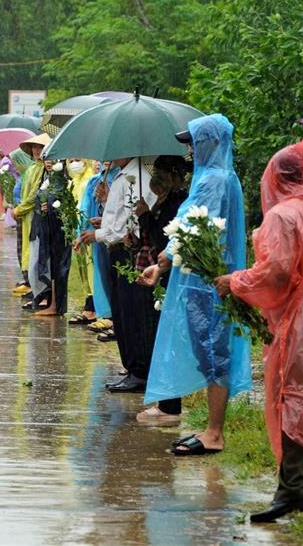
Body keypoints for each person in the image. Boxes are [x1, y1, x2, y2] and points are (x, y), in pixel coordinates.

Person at [213, 139, 303, 522]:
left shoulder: (282, 216)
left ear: (276, 176)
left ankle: (294, 488)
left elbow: (275, 272)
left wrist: (235, 281)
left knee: (292, 396)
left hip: (302, 320)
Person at [139, 114, 250, 454]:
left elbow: (198, 228)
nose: (189, 152)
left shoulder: (215, 180)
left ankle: (215, 433)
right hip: (201, 275)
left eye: (193, 144)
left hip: (208, 279)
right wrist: (164, 261)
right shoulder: (215, 177)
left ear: (211, 143)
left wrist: (167, 258)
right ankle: (211, 428)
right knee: (208, 349)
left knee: (214, 350)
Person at [80, 155, 157, 391]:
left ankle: (139, 371)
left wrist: (100, 234)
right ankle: (131, 367)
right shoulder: (122, 177)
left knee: (133, 313)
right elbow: (119, 217)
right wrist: (104, 213)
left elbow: (131, 223)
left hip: (129, 251)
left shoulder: (138, 178)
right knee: (122, 312)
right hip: (116, 249)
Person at [132, 155, 191, 424]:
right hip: (161, 272)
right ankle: (166, 401)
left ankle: (170, 405)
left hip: (169, 274)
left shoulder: (177, 204)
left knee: (167, 338)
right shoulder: (165, 201)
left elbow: (161, 239)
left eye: (160, 173)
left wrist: (145, 217)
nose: (155, 178)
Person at [11, 134, 51, 303]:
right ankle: (34, 288)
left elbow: (36, 194)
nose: (36, 151)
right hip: (26, 217)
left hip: (36, 215)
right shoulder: (31, 169)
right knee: (28, 252)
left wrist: (21, 208)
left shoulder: (46, 170)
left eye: (40, 147)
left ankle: (42, 290)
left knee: (38, 255)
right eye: (34, 148)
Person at [28, 158, 71, 317]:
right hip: (48, 228)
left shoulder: (63, 182)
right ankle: (52, 302)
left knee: (59, 266)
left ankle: (56, 305)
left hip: (59, 231)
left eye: (53, 160)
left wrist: (51, 208)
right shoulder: (48, 180)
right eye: (46, 159)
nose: (49, 162)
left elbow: (66, 206)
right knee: (51, 264)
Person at [66, 159, 98, 325]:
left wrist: (81, 232)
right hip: (80, 231)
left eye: (78, 160)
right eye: (71, 160)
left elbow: (85, 209)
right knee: (83, 270)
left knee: (91, 269)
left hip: (88, 232)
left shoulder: (90, 180)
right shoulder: (76, 181)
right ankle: (89, 305)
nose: (74, 163)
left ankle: (93, 308)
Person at [9, 148, 34, 295]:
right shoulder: (23, 175)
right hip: (20, 215)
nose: (14, 166)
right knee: (21, 248)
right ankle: (26, 278)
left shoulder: (29, 174)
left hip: (25, 215)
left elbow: (29, 197)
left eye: (16, 162)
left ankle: (30, 281)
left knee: (26, 248)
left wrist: (18, 209)